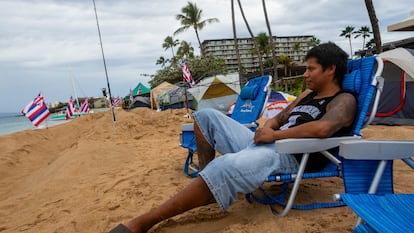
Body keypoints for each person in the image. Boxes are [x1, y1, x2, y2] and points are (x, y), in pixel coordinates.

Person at [108, 42, 355, 233]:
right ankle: (208, 182)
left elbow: (323, 129)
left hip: (290, 155)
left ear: (331, 69)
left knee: (225, 165)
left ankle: (143, 223)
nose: (305, 74)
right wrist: (266, 129)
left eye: (311, 69)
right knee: (205, 116)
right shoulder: (305, 96)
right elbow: (278, 118)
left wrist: (275, 135)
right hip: (268, 142)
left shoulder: (344, 100)